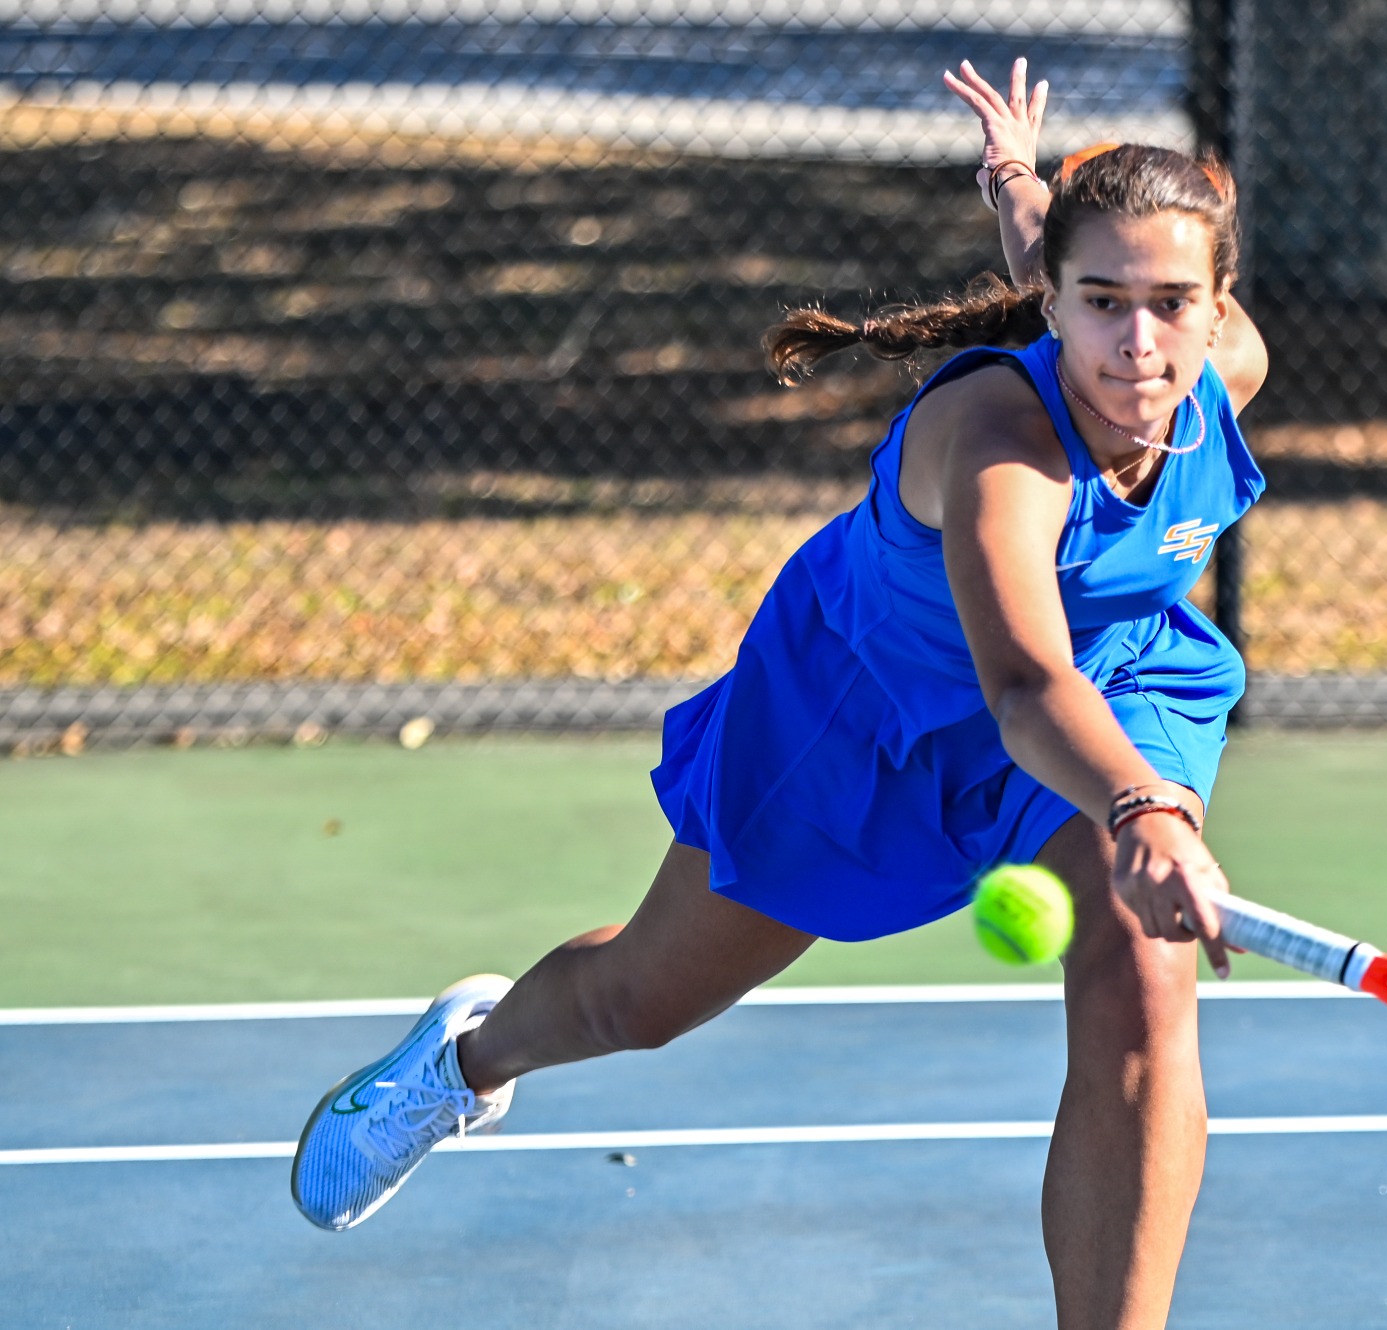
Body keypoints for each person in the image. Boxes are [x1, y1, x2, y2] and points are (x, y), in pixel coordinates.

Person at [291, 57, 1268, 1330]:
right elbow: (1019, 684)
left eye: (1167, 304)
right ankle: (465, 1057)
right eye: (1100, 302)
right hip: (864, 715)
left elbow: (1053, 257)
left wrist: (1019, 182)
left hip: (1117, 680)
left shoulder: (1218, 370)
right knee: (638, 1000)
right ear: (1058, 305)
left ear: (1214, 306)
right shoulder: (998, 444)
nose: (1136, 342)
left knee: (1144, 981)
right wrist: (1143, 811)